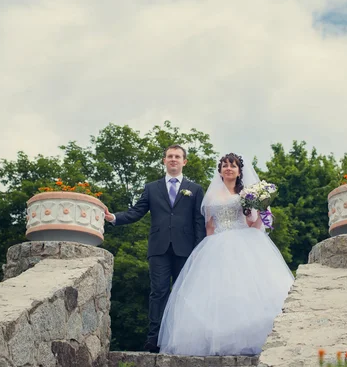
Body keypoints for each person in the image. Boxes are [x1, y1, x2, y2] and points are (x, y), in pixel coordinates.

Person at [157, 153, 294, 356]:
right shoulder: (211, 196)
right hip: (216, 245)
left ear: (240, 171)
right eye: (225, 166)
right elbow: (210, 227)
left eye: (233, 166)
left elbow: (254, 224)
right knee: (217, 294)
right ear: (220, 170)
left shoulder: (248, 194)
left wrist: (264, 211)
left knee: (247, 290)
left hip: (245, 241)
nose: (229, 168)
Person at [103, 144, 206, 353]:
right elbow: (136, 212)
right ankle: (154, 340)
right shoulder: (152, 188)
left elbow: (199, 222)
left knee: (182, 294)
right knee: (158, 292)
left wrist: (198, 250)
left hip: (185, 250)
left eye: (177, 156)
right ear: (164, 160)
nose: (173, 159)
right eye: (170, 156)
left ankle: (181, 338)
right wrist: (113, 218)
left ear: (184, 161)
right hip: (159, 249)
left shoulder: (195, 190)